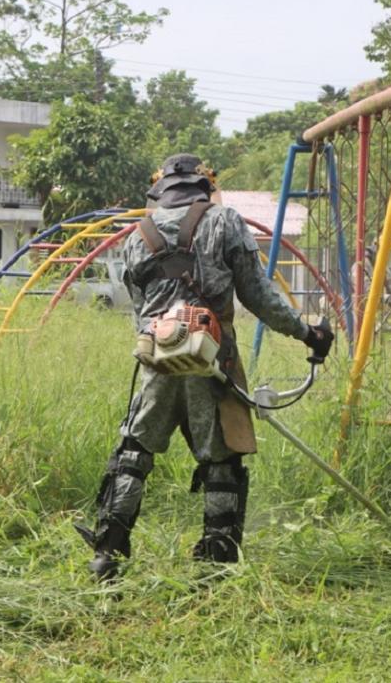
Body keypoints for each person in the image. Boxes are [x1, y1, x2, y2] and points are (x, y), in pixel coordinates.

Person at [76, 154, 334, 580]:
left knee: (134, 453)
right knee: (221, 459)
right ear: (204, 185)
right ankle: (216, 560)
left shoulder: (138, 234)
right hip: (214, 359)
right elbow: (258, 296)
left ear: (159, 189)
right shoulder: (225, 221)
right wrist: (307, 333)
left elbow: (142, 313)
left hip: (158, 359)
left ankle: (107, 551)